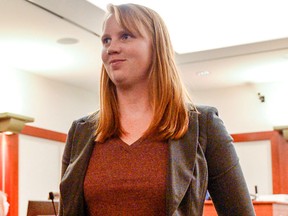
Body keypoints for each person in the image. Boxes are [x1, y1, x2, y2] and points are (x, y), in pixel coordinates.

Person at [59, 3, 255, 216]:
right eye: (106, 40)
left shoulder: (202, 126)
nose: (111, 48)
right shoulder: (81, 132)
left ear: (156, 46)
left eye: (125, 36)